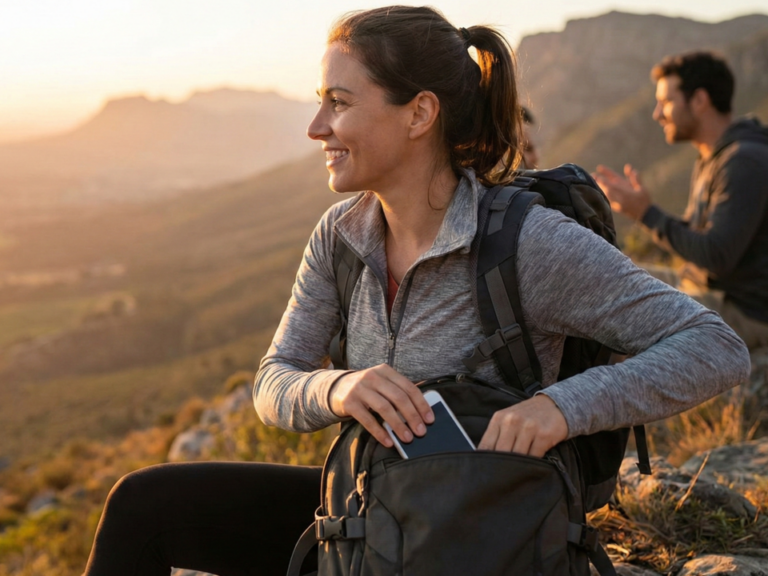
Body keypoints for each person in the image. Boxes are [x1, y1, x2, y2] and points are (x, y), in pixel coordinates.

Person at [82, 8, 749, 576]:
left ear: (419, 113)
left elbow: (715, 346)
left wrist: (558, 408)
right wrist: (337, 388)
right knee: (144, 507)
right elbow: (272, 382)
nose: (316, 127)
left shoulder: (528, 243)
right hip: (376, 512)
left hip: (490, 529)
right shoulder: (342, 236)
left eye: (338, 103)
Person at [594, 51, 768, 349]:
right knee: (602, 278)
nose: (657, 113)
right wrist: (643, 210)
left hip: (744, 311)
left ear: (699, 101)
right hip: (704, 288)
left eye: (666, 102)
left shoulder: (744, 161)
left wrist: (647, 214)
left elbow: (717, 256)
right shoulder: (712, 157)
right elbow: (703, 239)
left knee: (615, 311)